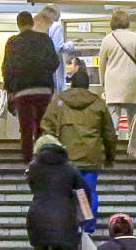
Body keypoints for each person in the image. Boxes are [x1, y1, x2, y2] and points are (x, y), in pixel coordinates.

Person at [41, 61, 119, 237]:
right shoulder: (98, 103)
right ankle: (88, 228)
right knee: (89, 192)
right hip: (91, 157)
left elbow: (46, 125)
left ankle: (67, 224)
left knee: (65, 193)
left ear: (72, 84)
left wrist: (52, 146)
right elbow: (109, 133)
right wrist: (110, 156)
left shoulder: (60, 101)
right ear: (87, 85)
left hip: (66, 158)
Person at [25, 133, 85, 250]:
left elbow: (32, 185)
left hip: (38, 214)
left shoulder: (33, 167)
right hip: (64, 216)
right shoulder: (70, 168)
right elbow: (83, 190)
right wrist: (83, 211)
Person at [2, 10, 60, 161]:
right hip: (43, 89)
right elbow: (55, 62)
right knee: (42, 127)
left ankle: (28, 163)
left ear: (18, 25)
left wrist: (9, 90)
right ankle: (43, 160)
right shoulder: (45, 39)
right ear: (32, 23)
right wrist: (44, 73)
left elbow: (7, 69)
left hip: (22, 92)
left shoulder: (12, 43)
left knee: (26, 129)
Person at [98, 10, 136, 154]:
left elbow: (102, 64)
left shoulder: (107, 40)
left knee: (113, 115)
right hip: (132, 80)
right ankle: (133, 146)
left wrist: (103, 83)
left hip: (113, 81)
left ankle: (112, 148)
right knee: (133, 115)